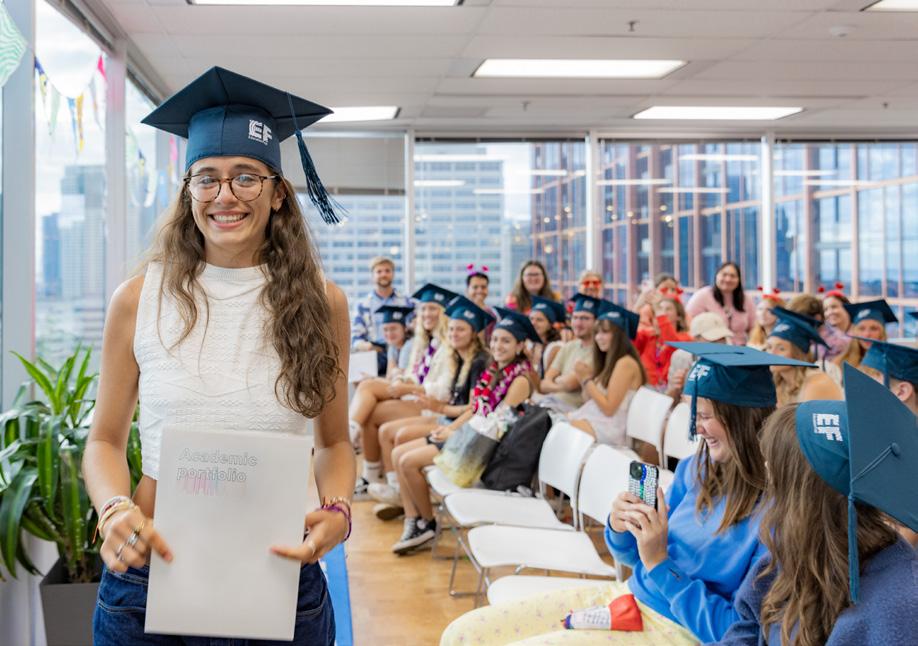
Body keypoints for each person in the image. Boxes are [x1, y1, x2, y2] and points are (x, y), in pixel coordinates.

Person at [83, 67, 353, 645]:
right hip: (148, 576)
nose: (225, 195)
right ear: (189, 192)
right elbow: (104, 439)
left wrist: (339, 511)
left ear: (278, 193)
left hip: (279, 576)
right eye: (207, 178)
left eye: (246, 177)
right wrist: (112, 508)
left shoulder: (323, 303)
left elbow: (334, 443)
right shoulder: (137, 299)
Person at [440, 344, 814, 645]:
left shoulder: (777, 516)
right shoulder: (696, 470)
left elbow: (737, 632)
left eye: (705, 416)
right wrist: (622, 527)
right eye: (693, 415)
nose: (695, 429)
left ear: (743, 419)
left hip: (677, 630)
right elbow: (634, 558)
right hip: (628, 598)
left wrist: (660, 564)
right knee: (462, 635)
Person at [713, 366, 918, 646]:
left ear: (803, 493)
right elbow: (747, 627)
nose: (766, 473)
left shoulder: (899, 605)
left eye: (774, 467)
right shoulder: (789, 550)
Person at [389, 308, 538, 554]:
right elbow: (476, 410)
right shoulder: (495, 371)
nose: (497, 345)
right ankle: (413, 520)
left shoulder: (520, 380)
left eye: (506, 341)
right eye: (495, 339)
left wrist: (455, 434)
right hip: (469, 436)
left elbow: (497, 425)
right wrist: (450, 429)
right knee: (397, 455)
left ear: (520, 346)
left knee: (407, 462)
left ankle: (427, 524)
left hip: (483, 449)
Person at [369, 296, 492, 519]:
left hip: (462, 430)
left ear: (474, 333)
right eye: (452, 329)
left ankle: (420, 518)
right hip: (448, 420)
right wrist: (437, 407)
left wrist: (439, 410)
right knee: (396, 447)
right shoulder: (459, 357)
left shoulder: (479, 362)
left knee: (402, 449)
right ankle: (410, 512)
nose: (454, 334)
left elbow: (474, 409)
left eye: (461, 329)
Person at [350, 283, 455, 498]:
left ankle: (351, 439)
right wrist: (403, 380)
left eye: (433, 308)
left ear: (443, 313)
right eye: (424, 309)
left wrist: (406, 387)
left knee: (370, 395)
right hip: (416, 397)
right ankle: (379, 479)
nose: (427, 313)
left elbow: (443, 389)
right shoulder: (427, 342)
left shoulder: (448, 344)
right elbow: (415, 374)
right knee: (370, 403)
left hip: (432, 406)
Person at [568, 303, 646, 446]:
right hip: (596, 418)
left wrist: (586, 379)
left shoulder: (625, 363)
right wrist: (584, 380)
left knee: (560, 428)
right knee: (552, 422)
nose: (598, 337)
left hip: (612, 428)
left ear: (619, 336)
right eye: (597, 333)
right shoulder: (609, 361)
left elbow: (609, 409)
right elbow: (588, 399)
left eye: (605, 332)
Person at [537, 293, 603, 412]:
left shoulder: (599, 352)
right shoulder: (569, 347)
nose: (578, 323)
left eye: (585, 318)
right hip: (549, 404)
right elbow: (543, 384)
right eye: (575, 317)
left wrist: (555, 380)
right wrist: (562, 383)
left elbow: (571, 384)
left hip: (572, 411)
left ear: (596, 322)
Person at [765, 308, 842, 405]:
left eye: (781, 348)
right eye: (769, 347)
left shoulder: (817, 384)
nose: (772, 353)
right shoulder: (779, 382)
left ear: (797, 354)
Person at [352, 256, 413, 376]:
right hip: (375, 351)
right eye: (379, 271)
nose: (383, 274)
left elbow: (415, 328)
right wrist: (367, 346)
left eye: (387, 271)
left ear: (393, 274)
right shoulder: (363, 305)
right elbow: (355, 338)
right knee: (359, 373)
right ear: (372, 276)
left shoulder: (407, 302)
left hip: (400, 349)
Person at [665, 312, 733, 401]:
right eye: (713, 339)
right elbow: (669, 400)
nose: (719, 343)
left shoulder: (732, 360)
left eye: (722, 338)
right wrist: (676, 388)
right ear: (696, 339)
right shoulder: (680, 357)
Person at [685, 261, 756, 345]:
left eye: (733, 276)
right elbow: (688, 322)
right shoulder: (702, 296)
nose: (728, 279)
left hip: (741, 348)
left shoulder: (746, 299)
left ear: (739, 279)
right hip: (710, 347)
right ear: (716, 276)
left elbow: (754, 327)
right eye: (724, 275)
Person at [634, 295, 692, 388]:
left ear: (679, 316)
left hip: (672, 391)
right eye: (659, 310)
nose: (662, 313)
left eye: (668, 309)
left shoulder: (686, 338)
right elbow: (629, 341)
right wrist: (638, 305)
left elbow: (671, 341)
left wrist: (659, 311)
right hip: (645, 389)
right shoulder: (647, 336)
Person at [834, 299, 898, 369]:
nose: (867, 334)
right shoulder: (839, 363)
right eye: (861, 328)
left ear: (882, 333)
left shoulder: (893, 365)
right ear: (855, 332)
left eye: (873, 328)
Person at [527, 295, 565, 378]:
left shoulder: (555, 348)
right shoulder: (530, 345)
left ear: (550, 325)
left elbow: (547, 381)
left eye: (539, 320)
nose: (533, 323)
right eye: (531, 319)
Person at [376, 305, 414, 379]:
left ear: (405, 328)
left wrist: (373, 379)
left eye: (393, 328)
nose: (389, 333)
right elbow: (389, 377)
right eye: (385, 329)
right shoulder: (393, 347)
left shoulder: (409, 345)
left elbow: (399, 379)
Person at [465, 263, 497, 342]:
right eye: (475, 287)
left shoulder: (493, 314)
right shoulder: (461, 312)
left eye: (483, 287)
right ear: (467, 290)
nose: (480, 291)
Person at [820, 286, 853, 362]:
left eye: (834, 307)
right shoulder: (823, 335)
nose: (830, 312)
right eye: (826, 309)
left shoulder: (859, 332)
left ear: (846, 307)